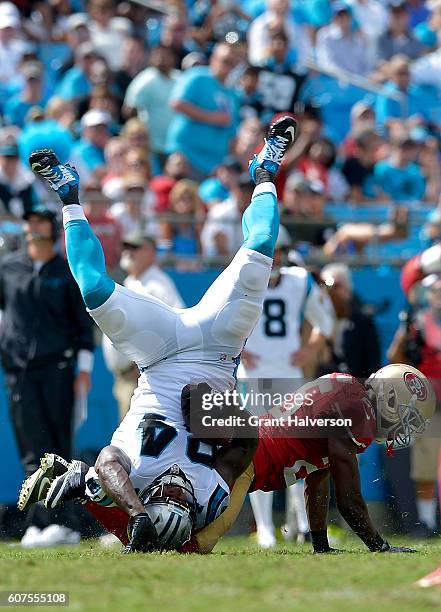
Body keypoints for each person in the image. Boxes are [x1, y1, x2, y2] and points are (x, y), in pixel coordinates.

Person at [19, 116, 299, 552]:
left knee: (94, 289)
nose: (175, 492)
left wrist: (134, 515)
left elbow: (108, 462)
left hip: (159, 355)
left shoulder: (135, 479)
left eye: (162, 499)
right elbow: (245, 445)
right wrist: (222, 414)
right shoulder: (210, 495)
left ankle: (69, 196)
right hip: (218, 353)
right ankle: (264, 171)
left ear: (149, 502)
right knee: (262, 245)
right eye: (179, 502)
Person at [182, 365, 435, 554]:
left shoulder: (348, 390)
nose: (402, 430)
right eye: (406, 419)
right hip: (244, 463)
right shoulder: (357, 411)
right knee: (198, 544)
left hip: (247, 455)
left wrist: (320, 543)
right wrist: (380, 547)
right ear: (389, 401)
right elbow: (349, 499)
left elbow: (318, 478)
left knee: (192, 532)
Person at [0, 205, 94, 546]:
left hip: (58, 372)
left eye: (40, 223)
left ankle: (66, 525)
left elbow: (84, 328)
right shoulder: (8, 269)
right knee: (31, 451)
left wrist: (83, 370)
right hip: (20, 375)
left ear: (52, 231)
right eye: (30, 224)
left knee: (59, 450)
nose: (33, 229)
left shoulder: (67, 273)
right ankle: (38, 524)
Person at [238, 227, 334, 548]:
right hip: (252, 378)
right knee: (254, 450)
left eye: (277, 251)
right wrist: (238, 345)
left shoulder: (299, 280)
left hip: (289, 377)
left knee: (297, 449)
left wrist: (311, 347)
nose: (273, 258)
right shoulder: (241, 277)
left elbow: (326, 322)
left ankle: (302, 524)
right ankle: (264, 527)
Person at [102, 233, 184, 420]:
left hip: (142, 379)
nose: (129, 252)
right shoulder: (133, 282)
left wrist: (145, 362)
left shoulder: (157, 285)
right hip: (127, 378)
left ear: (152, 252)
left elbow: (178, 327)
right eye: (127, 247)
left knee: (136, 443)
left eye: (136, 247)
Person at [166, 42, 239, 180]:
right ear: (213, 59)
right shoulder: (197, 76)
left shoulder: (233, 94)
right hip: (186, 155)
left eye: (232, 64)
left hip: (213, 165)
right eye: (224, 61)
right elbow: (177, 103)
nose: (227, 67)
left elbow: (232, 133)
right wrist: (213, 118)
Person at [123, 44, 180, 173]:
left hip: (174, 144)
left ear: (173, 58)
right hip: (153, 145)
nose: (161, 59)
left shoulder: (179, 78)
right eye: (157, 55)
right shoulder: (146, 79)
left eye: (165, 55)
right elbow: (129, 109)